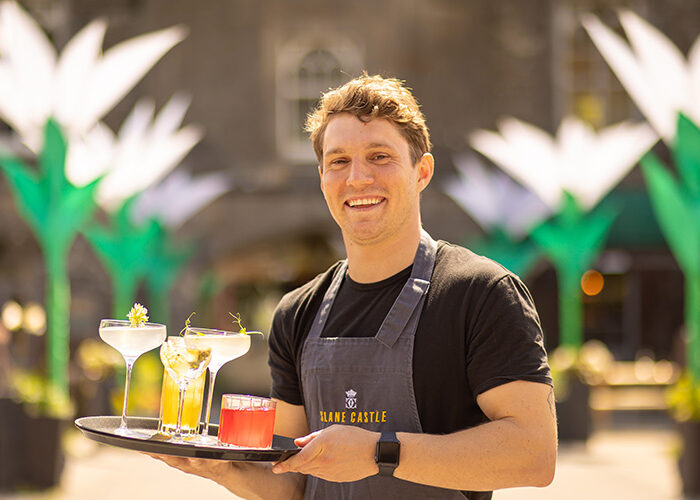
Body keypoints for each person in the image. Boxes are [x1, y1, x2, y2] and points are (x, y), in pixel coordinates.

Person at [152, 74, 557, 499]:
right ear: (322, 176)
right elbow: (291, 479)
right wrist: (218, 469)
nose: (358, 178)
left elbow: (533, 454)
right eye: (339, 161)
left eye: (380, 156)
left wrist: (378, 454)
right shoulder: (296, 313)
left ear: (422, 171)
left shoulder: (480, 293)